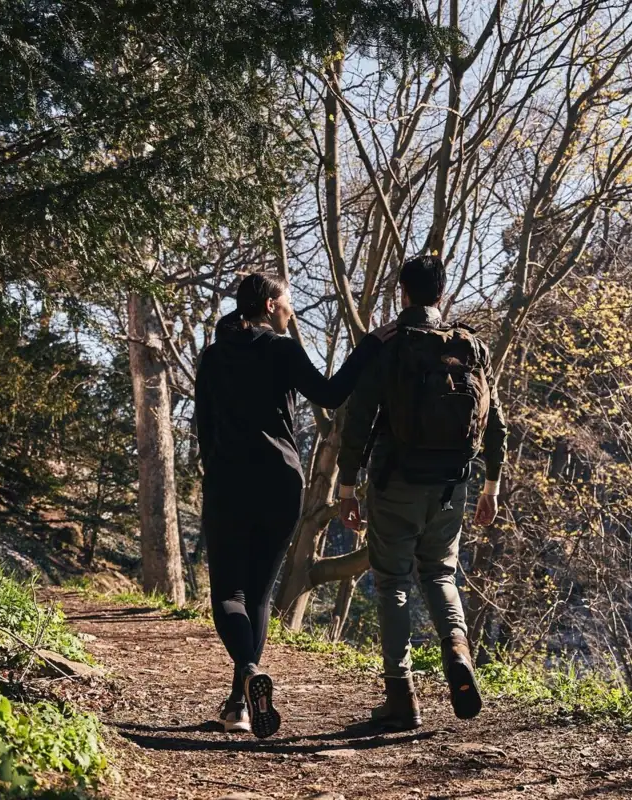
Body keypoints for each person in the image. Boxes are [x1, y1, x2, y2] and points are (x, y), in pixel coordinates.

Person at [194, 272, 394, 737]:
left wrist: (215, 474)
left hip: (228, 479)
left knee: (229, 594)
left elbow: (204, 429)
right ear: (268, 306)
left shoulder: (211, 357)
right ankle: (238, 705)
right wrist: (367, 346)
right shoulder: (280, 349)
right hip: (279, 481)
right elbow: (330, 393)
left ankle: (246, 674)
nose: (291, 312)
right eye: (288, 304)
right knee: (259, 594)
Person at [337, 254, 507, 731]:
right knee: (439, 574)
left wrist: (347, 487)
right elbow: (494, 423)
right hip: (453, 483)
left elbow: (358, 420)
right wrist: (490, 485)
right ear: (440, 293)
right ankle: (457, 650)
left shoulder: (390, 346)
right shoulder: (470, 347)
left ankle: (401, 697)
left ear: (403, 293)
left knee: (392, 581)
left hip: (397, 481)